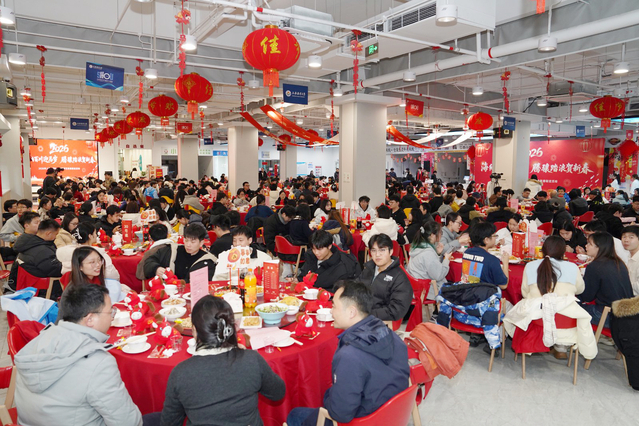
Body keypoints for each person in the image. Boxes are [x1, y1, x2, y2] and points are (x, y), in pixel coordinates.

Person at [14, 283, 142, 426]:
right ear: (90, 319)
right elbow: (128, 422)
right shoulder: (99, 362)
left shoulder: (38, 341)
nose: (113, 317)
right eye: (110, 311)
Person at [286, 280, 409, 426]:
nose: (331, 311)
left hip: (364, 421)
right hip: (395, 414)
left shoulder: (349, 355)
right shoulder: (391, 335)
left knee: (295, 415)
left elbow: (340, 414)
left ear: (351, 312)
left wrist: (328, 396)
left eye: (334, 306)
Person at [160, 295, 285, 426]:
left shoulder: (180, 373)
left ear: (195, 331)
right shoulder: (251, 360)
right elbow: (278, 393)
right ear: (232, 328)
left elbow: (169, 422)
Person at [520, 235, 585, 359]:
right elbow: (580, 289)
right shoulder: (573, 267)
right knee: (566, 306)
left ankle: (537, 343)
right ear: (563, 252)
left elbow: (524, 293)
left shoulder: (530, 266)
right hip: (566, 321)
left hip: (537, 319)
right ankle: (561, 348)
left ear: (543, 250)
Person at [578, 232, 633, 328]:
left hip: (608, 316)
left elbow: (587, 297)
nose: (586, 246)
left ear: (599, 247)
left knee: (569, 306)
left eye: (590, 244)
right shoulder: (619, 262)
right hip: (627, 314)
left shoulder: (595, 266)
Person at [357, 234, 412, 321]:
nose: (377, 254)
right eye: (374, 250)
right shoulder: (368, 270)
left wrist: (367, 315)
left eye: (382, 250)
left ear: (391, 252)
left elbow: (397, 310)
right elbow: (355, 290)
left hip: (379, 321)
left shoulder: (399, 277)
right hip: (359, 315)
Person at [294, 230, 361, 291]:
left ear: (329, 246)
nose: (316, 253)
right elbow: (304, 276)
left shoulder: (343, 265)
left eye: (320, 249)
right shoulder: (311, 257)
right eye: (313, 249)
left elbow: (343, 291)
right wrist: (297, 280)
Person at [407, 221, 451, 299]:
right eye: (440, 232)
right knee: (452, 290)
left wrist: (437, 254)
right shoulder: (428, 253)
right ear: (432, 235)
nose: (441, 235)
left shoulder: (418, 246)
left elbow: (430, 267)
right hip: (426, 289)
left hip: (414, 286)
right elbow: (438, 275)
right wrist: (446, 260)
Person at [461, 221, 509, 289]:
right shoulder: (492, 260)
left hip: (466, 291)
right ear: (486, 240)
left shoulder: (467, 252)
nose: (496, 238)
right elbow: (503, 285)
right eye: (494, 236)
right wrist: (505, 263)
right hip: (484, 294)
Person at [622, 225, 639, 296]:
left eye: (631, 237)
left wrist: (620, 285)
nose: (626, 240)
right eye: (624, 237)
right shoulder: (627, 256)